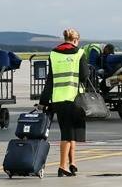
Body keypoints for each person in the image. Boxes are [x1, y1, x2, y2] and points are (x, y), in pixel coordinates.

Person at [38, 28, 90, 177]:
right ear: (75, 40)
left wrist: (43, 101)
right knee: (69, 133)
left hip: (58, 99)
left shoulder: (53, 54)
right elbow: (84, 76)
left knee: (69, 131)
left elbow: (50, 80)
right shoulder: (79, 53)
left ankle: (72, 163)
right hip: (74, 98)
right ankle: (62, 166)